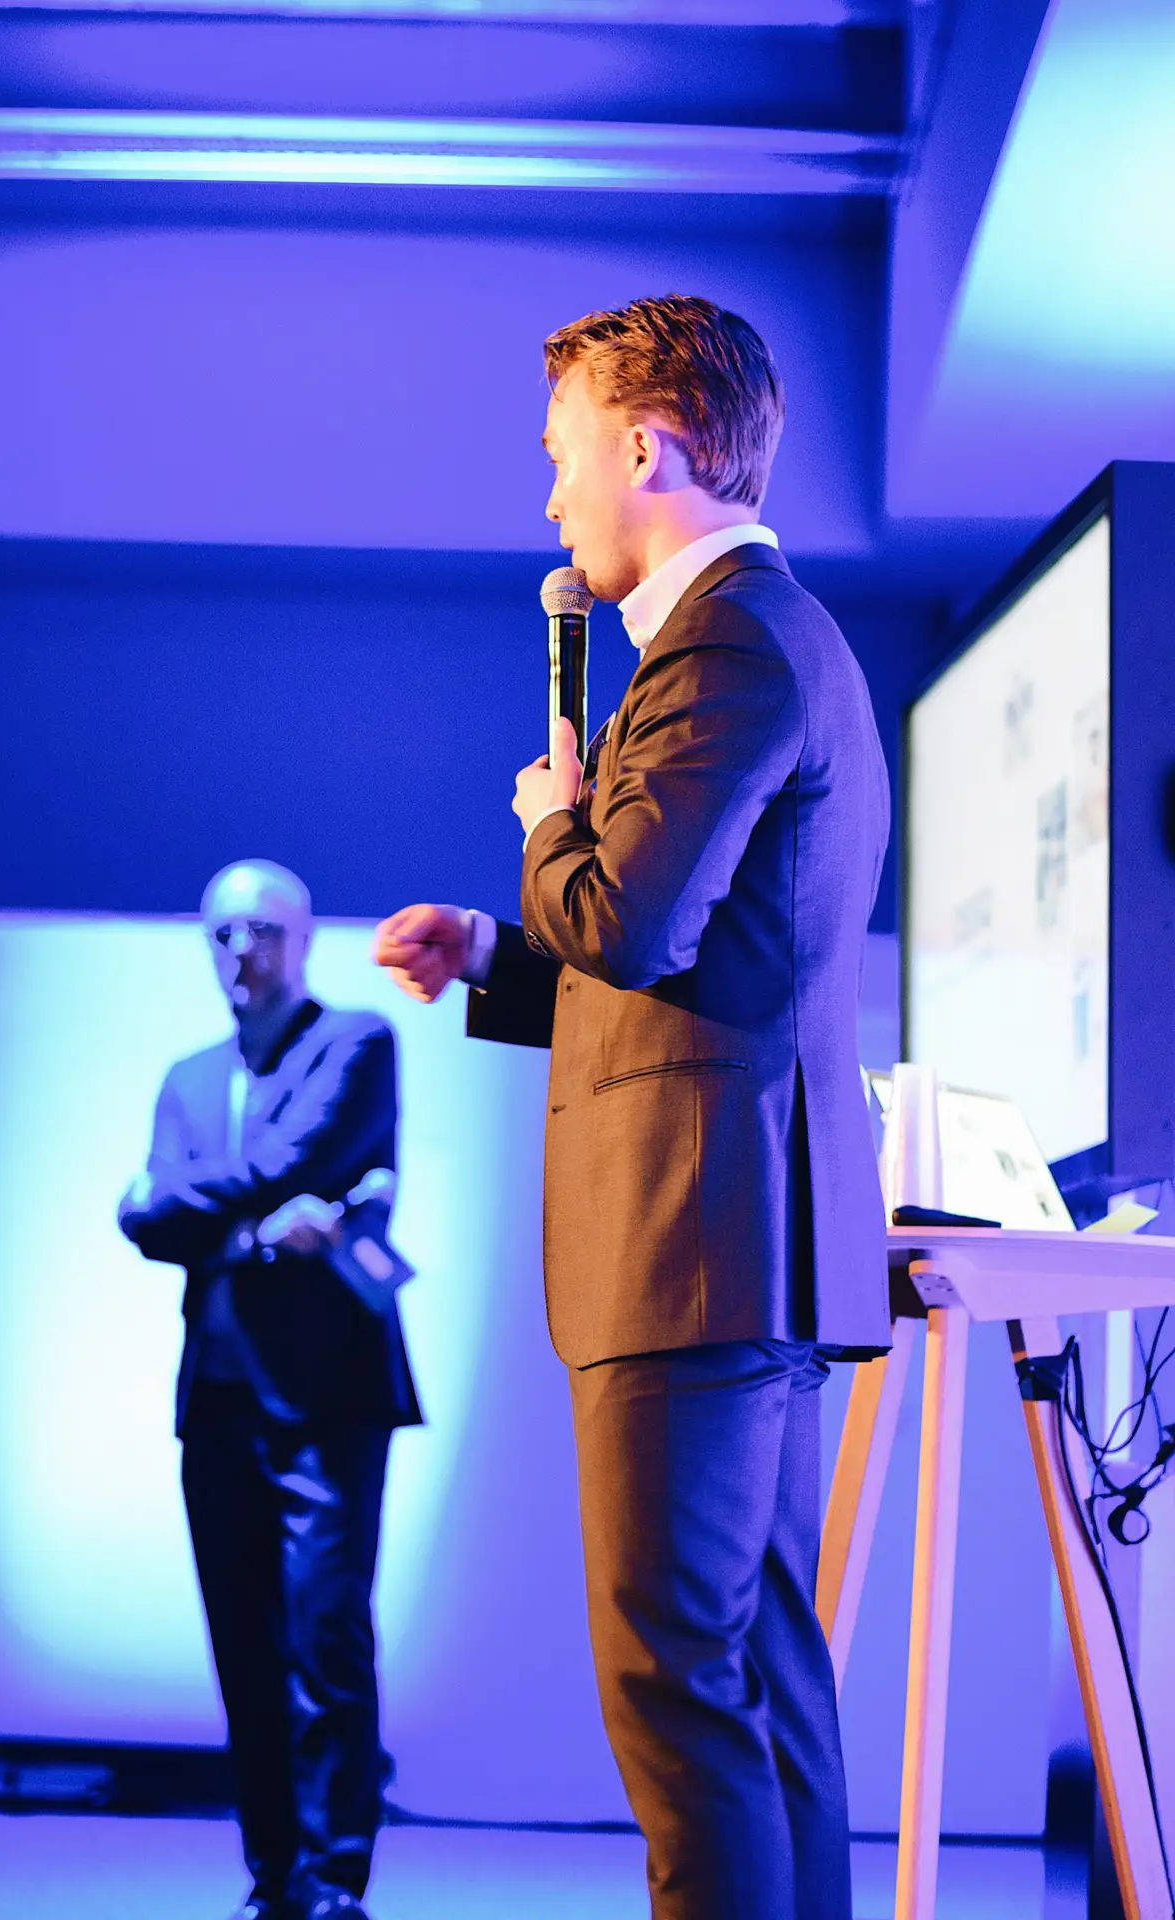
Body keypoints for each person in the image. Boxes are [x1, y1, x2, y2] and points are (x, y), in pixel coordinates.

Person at [373, 295, 890, 1920]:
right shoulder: (762, 636)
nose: (551, 500)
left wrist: (548, 820)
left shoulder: (723, 642)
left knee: (676, 1683)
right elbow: (695, 961)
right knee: (756, 1683)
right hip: (746, 1249)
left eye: (561, 456)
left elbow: (631, 920)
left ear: (648, 446)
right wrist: (493, 954)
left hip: (695, 1253)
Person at [120, 860, 420, 1920]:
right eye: (222, 932)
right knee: (243, 1651)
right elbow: (145, 1223)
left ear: (303, 940)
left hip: (330, 1397)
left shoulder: (357, 1042)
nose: (241, 950)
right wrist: (249, 1228)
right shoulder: (188, 1077)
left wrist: (187, 1208)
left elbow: (289, 1156)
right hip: (218, 1398)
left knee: (325, 1640)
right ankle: (272, 1881)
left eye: (262, 930)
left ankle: (333, 1885)